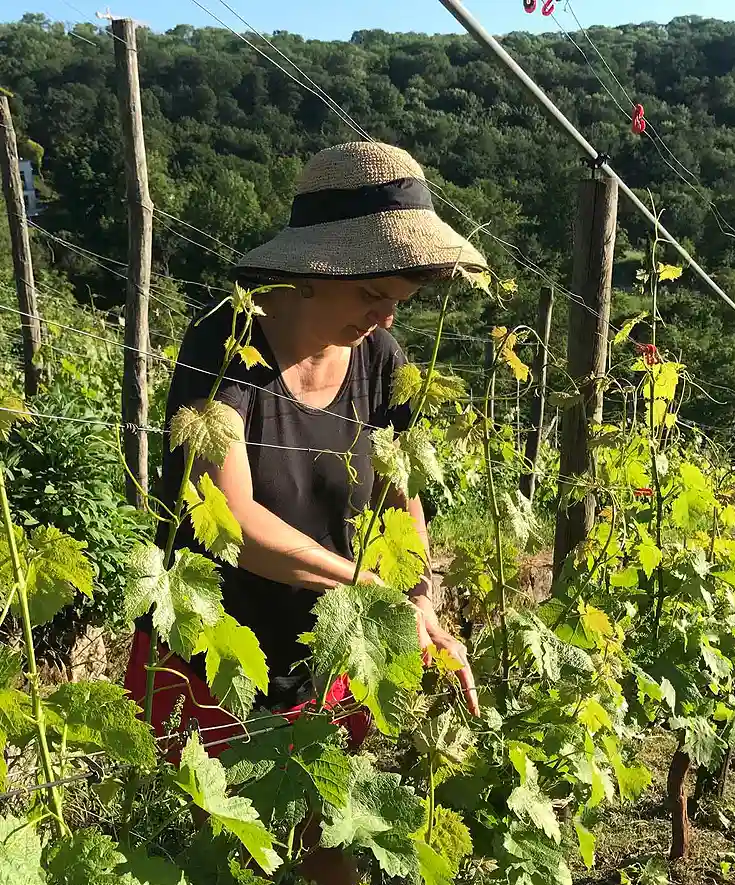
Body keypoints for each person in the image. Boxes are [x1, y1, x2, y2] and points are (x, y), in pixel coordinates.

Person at [125, 141, 486, 751]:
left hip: (329, 658)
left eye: (399, 302)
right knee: (223, 837)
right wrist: (367, 589)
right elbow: (232, 520)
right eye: (373, 297)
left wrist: (422, 601)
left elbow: (402, 504)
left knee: (327, 841)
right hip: (213, 655)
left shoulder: (382, 361)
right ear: (317, 271)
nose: (386, 319)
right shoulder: (225, 343)